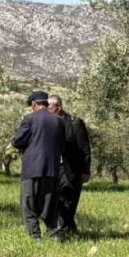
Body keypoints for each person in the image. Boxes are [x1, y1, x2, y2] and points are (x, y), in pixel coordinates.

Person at [10, 91, 65, 241]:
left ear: (34, 104)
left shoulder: (30, 119)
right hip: (52, 168)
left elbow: (17, 141)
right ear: (45, 103)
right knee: (50, 203)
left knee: (29, 202)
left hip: (32, 168)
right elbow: (62, 145)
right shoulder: (58, 120)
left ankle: (35, 236)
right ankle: (53, 234)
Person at [48, 94, 91, 236]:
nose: (48, 111)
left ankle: (66, 230)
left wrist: (86, 171)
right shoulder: (48, 124)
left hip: (70, 168)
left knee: (68, 200)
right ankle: (69, 229)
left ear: (59, 107)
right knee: (55, 200)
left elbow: (85, 148)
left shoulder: (75, 123)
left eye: (50, 108)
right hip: (52, 168)